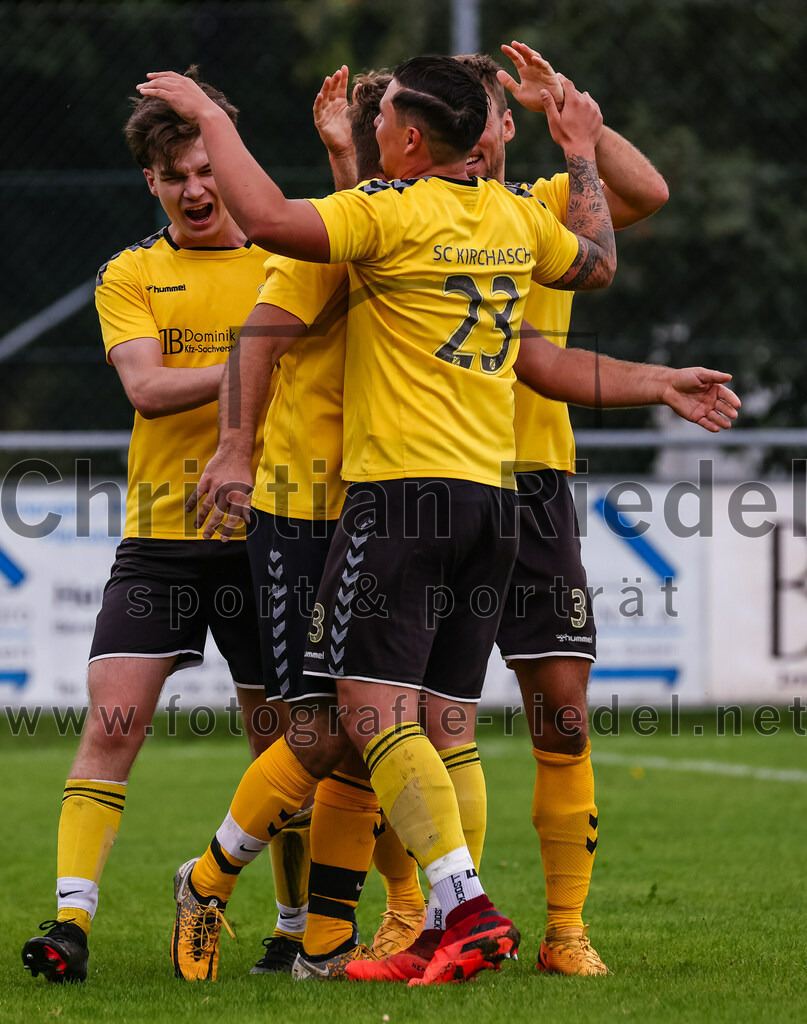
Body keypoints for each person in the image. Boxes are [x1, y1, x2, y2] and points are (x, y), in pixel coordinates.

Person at [137, 50, 619, 986]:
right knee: (323, 730)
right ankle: (283, 904)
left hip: (417, 498)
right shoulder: (373, 228)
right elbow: (261, 337)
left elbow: (552, 319)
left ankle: (374, 924)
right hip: (318, 504)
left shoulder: (419, 224)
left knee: (403, 728)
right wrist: (236, 451)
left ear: (403, 140)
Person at [20, 70, 274, 985]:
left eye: (207, 168)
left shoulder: (284, 257)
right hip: (161, 540)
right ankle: (69, 925)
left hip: (270, 535)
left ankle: (288, 930)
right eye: (176, 177)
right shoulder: (131, 273)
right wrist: (260, 357)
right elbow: (147, 391)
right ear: (152, 185)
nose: (197, 189)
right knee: (114, 720)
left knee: (276, 741)